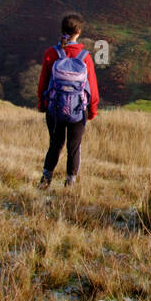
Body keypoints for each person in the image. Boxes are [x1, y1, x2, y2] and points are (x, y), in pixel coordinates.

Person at [37, 13, 99, 188]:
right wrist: (92, 111)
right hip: (78, 110)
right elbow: (92, 89)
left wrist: (43, 105)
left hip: (54, 109)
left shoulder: (51, 53)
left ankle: (45, 181)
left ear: (62, 30)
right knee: (74, 147)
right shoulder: (85, 56)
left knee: (55, 144)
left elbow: (42, 83)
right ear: (78, 31)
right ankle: (70, 185)